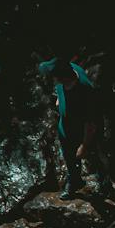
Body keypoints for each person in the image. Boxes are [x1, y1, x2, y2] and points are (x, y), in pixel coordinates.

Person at [37, 54, 100, 197]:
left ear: (62, 77)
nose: (52, 79)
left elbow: (90, 124)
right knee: (69, 158)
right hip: (65, 127)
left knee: (94, 158)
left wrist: (84, 145)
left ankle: (104, 184)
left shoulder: (85, 91)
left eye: (54, 76)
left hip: (81, 131)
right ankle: (75, 181)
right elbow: (60, 89)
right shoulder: (69, 71)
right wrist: (60, 99)